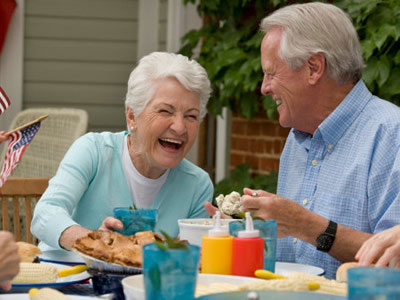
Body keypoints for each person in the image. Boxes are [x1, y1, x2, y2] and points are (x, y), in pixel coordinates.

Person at [205, 2, 400, 279]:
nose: (263, 87)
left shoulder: (391, 136)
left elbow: (394, 263)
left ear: (313, 67)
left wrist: (309, 226)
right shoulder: (297, 140)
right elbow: (291, 259)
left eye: (271, 73)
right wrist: (245, 233)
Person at [31, 52, 213, 251]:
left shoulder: (197, 185)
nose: (179, 127)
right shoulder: (94, 151)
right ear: (132, 116)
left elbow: (190, 260)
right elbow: (45, 214)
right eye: (165, 111)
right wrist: (95, 242)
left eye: (191, 116)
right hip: (64, 278)